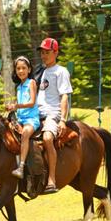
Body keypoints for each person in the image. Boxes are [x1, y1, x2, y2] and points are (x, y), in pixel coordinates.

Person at [36, 37, 73, 194]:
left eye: (47, 52)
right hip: (36, 113)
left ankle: (51, 179)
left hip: (52, 113)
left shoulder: (61, 71)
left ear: (56, 52)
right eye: (42, 53)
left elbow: (64, 96)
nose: (44, 56)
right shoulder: (41, 72)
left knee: (47, 139)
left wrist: (63, 120)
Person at [6, 56, 40, 179]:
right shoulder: (19, 87)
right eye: (18, 68)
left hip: (31, 119)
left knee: (25, 134)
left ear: (29, 70)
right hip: (20, 118)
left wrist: (16, 106)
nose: (21, 71)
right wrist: (12, 107)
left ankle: (21, 166)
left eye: (24, 68)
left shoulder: (32, 83)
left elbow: (31, 102)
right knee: (2, 128)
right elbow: (19, 105)